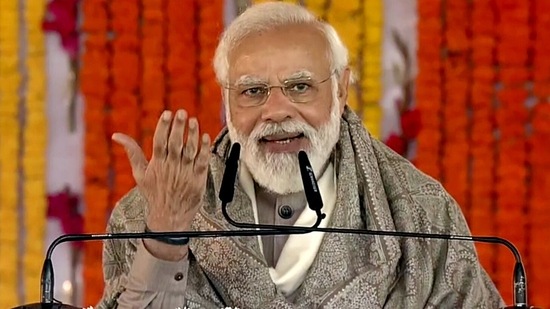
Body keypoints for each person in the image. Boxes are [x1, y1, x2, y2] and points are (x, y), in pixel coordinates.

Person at [97, 2, 504, 308]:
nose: (275, 111)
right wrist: (166, 239)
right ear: (227, 100)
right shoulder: (146, 216)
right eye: (253, 91)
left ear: (341, 90)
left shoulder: (421, 215)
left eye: (300, 87)